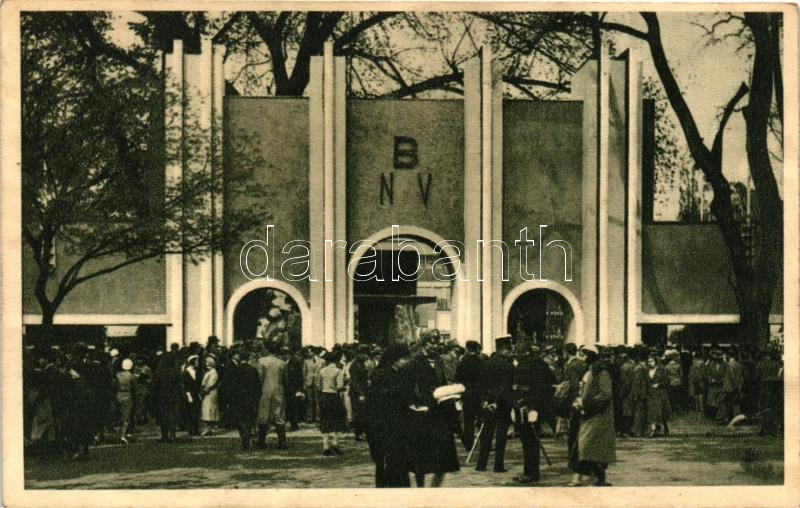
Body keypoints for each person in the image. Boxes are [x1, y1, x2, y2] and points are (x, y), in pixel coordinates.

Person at [406, 344, 460, 487]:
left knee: (443, 455)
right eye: (431, 341)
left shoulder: (439, 361)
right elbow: (412, 386)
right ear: (424, 343)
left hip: (440, 412)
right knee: (421, 454)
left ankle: (435, 486)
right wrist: (417, 403)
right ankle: (421, 485)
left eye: (436, 340)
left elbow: (444, 382)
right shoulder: (415, 362)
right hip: (423, 412)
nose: (434, 344)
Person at [366, 344, 414, 487]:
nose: (407, 362)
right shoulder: (381, 374)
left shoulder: (400, 374)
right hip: (385, 425)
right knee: (388, 462)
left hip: (398, 424)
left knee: (399, 462)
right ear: (394, 360)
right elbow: (378, 399)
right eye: (404, 359)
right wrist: (399, 391)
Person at [569, 345, 615, 487]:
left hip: (599, 415)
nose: (581, 358)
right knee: (590, 447)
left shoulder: (601, 372)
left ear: (591, 356)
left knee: (588, 445)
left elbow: (605, 394)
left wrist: (586, 402)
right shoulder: (589, 371)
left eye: (584, 355)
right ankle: (598, 478)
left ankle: (581, 477)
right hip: (589, 414)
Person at [513, 343, 556, 484]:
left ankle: (532, 473)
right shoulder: (530, 363)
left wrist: (534, 408)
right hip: (523, 405)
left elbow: (541, 388)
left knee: (531, 441)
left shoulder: (536, 365)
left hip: (530, 407)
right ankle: (528, 471)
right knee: (526, 440)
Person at [475, 336, 514, 474]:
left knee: (487, 433)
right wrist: (497, 401)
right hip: (502, 404)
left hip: (488, 403)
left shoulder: (486, 363)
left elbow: (481, 385)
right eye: (509, 350)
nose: (510, 352)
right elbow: (506, 387)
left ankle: (481, 464)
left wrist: (485, 401)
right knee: (501, 435)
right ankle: (498, 465)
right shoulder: (508, 366)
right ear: (503, 350)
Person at [224, 349, 262, 450]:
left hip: (238, 398)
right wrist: (257, 397)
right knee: (249, 418)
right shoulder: (253, 370)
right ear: (248, 358)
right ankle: (247, 435)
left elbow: (230, 385)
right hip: (250, 398)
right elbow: (258, 386)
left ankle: (244, 437)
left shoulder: (235, 370)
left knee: (240, 419)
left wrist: (230, 398)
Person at [256, 341, 288, 449]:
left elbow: (260, 377)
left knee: (263, 415)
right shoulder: (282, 363)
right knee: (279, 415)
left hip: (265, 390)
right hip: (279, 390)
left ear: (267, 349)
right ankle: (282, 441)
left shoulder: (261, 361)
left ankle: (261, 441)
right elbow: (286, 379)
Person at [455, 340, 483, 451]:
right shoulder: (480, 362)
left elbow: (457, 379)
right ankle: (483, 442)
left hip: (467, 394)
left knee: (468, 420)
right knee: (481, 418)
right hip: (479, 393)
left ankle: (469, 443)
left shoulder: (462, 363)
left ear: (467, 349)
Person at [318, 351, 348, 455]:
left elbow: (319, 386)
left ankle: (325, 447)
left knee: (325, 421)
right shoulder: (338, 371)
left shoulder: (322, 371)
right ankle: (335, 444)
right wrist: (345, 385)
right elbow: (339, 386)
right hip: (334, 397)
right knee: (337, 420)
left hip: (324, 396)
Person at [645, 353, 671, 437]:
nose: (650, 363)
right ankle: (653, 429)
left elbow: (667, 381)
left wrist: (659, 384)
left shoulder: (661, 370)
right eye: (649, 361)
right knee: (652, 411)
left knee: (661, 412)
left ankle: (664, 427)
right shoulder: (647, 370)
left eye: (651, 361)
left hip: (660, 393)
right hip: (651, 393)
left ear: (655, 362)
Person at [348, 348, 370, 441]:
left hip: (362, 391)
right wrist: (360, 394)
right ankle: (358, 433)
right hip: (357, 393)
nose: (366, 356)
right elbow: (355, 381)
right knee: (358, 413)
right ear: (359, 354)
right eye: (365, 354)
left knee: (362, 413)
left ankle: (361, 432)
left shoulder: (360, 363)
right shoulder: (355, 365)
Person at [115, 358, 137, 444]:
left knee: (118, 416)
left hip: (118, 394)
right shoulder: (131, 376)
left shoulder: (118, 375)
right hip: (128, 395)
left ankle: (117, 434)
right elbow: (134, 387)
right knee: (126, 417)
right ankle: (123, 435)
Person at [284, 347, 305, 431]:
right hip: (286, 388)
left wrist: (299, 389)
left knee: (292, 407)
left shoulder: (295, 363)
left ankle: (293, 424)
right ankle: (289, 423)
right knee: (288, 406)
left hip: (292, 388)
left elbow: (299, 377)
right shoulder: (285, 362)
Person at [200, 356, 220, 436]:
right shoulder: (209, 372)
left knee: (209, 409)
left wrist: (203, 391)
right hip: (208, 392)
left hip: (210, 393)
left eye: (207, 362)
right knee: (207, 409)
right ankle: (209, 428)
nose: (206, 364)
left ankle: (210, 428)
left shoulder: (213, 372)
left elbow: (211, 383)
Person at [182, 355, 201, 436]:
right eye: (196, 361)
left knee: (196, 412)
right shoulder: (186, 372)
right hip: (189, 394)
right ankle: (191, 430)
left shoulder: (197, 371)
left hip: (196, 394)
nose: (197, 362)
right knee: (190, 412)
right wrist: (189, 395)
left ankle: (196, 429)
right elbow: (185, 386)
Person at [303, 347, 323, 423]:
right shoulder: (306, 361)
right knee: (309, 401)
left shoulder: (322, 361)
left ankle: (318, 418)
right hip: (309, 382)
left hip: (318, 382)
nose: (308, 353)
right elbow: (304, 373)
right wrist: (304, 384)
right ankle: (309, 418)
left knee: (318, 401)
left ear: (314, 352)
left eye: (309, 351)